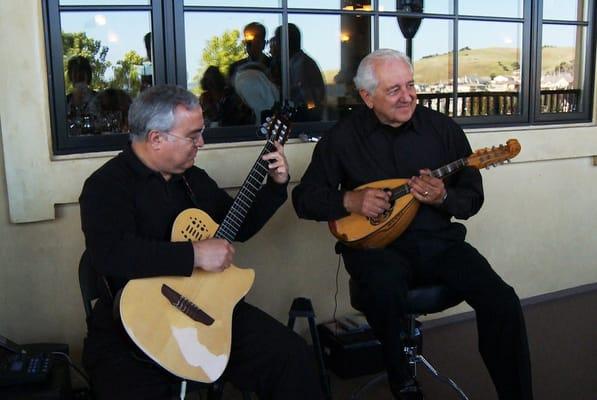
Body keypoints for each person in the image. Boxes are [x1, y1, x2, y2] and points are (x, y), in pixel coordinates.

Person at [292, 49, 533, 400]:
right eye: (394, 90)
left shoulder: (442, 130)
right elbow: (304, 199)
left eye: (410, 85)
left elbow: (471, 199)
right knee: (384, 287)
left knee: (502, 301)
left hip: (440, 243)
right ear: (366, 96)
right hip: (377, 249)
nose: (407, 97)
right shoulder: (342, 139)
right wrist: (349, 200)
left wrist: (443, 199)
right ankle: (403, 381)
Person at [80, 84, 323, 400]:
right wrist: (193, 254)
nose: (202, 143)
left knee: (291, 356)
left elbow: (236, 226)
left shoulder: (192, 179)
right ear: (156, 138)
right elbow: (111, 255)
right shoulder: (106, 186)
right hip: (131, 323)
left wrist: (275, 187)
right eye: (193, 136)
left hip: (208, 307)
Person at [270, 23, 326, 121]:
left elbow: (307, 97)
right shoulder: (295, 62)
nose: (276, 45)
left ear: (286, 42)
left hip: (306, 120)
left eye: (277, 41)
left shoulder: (301, 64)